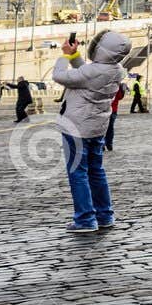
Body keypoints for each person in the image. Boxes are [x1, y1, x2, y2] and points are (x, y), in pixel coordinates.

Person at [51, 31, 129, 234]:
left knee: (78, 174)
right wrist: (76, 56)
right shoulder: (117, 70)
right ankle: (104, 215)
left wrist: (65, 55)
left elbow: (59, 76)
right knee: (96, 171)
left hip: (76, 128)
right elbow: (86, 72)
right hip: (97, 128)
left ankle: (85, 219)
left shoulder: (94, 72)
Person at [105, 82, 124, 152]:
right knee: (110, 127)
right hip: (112, 109)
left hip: (104, 108)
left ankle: (103, 143)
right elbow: (120, 97)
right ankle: (109, 144)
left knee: (102, 127)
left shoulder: (104, 83)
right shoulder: (117, 84)